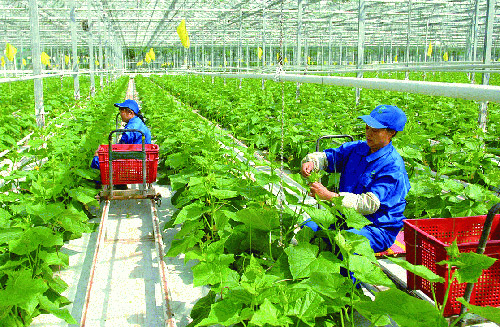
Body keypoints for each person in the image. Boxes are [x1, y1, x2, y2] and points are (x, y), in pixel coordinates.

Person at [300, 104, 410, 253]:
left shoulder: (393, 166)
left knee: (345, 244)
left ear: (391, 133)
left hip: (376, 228)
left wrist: (330, 197)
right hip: (345, 219)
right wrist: (312, 162)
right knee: (307, 228)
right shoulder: (358, 148)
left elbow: (370, 204)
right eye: (367, 128)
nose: (369, 134)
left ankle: (348, 276)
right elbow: (329, 157)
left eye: (375, 130)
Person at [91, 99, 152, 187]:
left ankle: (98, 186)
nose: (120, 113)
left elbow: (120, 149)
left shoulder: (131, 129)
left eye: (122, 110)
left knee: (96, 160)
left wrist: (100, 153)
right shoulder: (138, 123)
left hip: (132, 163)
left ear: (130, 113)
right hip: (141, 161)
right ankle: (119, 184)